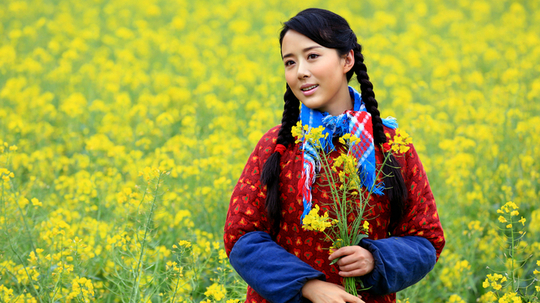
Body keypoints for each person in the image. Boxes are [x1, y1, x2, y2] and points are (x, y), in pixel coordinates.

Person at [223, 8, 445, 303]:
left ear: (347, 59)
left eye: (312, 56)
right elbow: (241, 236)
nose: (300, 70)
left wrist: (374, 259)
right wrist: (308, 286)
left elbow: (425, 238)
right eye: (290, 62)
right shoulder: (278, 146)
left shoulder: (389, 145)